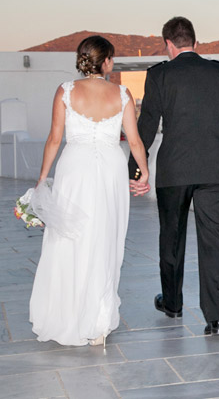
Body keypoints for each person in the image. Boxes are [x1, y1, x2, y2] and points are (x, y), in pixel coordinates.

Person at [128, 16, 219, 335]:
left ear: (168, 43)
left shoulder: (159, 75)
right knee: (216, 242)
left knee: (172, 238)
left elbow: (147, 126)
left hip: (174, 169)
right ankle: (217, 317)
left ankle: (172, 303)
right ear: (195, 41)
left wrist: (137, 170)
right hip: (214, 169)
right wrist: (210, 134)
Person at [29, 35, 150, 347]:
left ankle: (67, 314)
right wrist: (144, 172)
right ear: (106, 61)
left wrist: (42, 179)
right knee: (106, 238)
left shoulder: (66, 91)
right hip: (110, 168)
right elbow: (134, 141)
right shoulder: (123, 94)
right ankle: (98, 324)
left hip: (74, 169)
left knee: (70, 239)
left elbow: (55, 139)